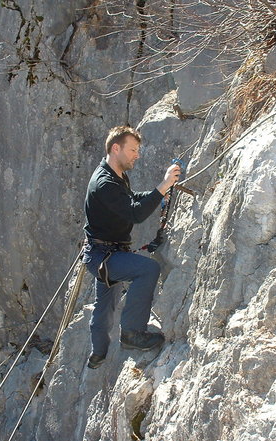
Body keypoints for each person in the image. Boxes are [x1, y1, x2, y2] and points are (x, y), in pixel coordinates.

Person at [82, 126, 181, 369]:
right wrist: (163, 185)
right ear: (116, 148)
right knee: (147, 270)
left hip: (104, 253)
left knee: (104, 304)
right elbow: (135, 214)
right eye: (133, 149)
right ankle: (132, 334)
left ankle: (98, 355)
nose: (137, 154)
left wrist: (159, 194)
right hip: (104, 255)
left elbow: (131, 199)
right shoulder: (104, 182)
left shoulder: (115, 174)